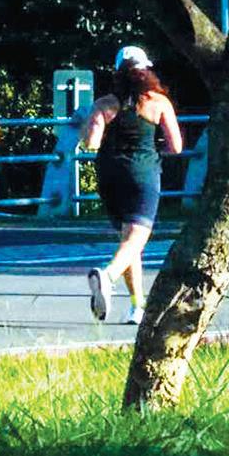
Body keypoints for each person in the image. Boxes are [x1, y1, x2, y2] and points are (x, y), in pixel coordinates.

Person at [85, 46, 183, 324]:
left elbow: (91, 142)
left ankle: (136, 306)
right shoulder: (158, 102)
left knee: (129, 240)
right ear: (146, 71)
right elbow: (176, 146)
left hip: (109, 174)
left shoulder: (105, 104)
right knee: (138, 237)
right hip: (143, 173)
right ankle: (108, 276)